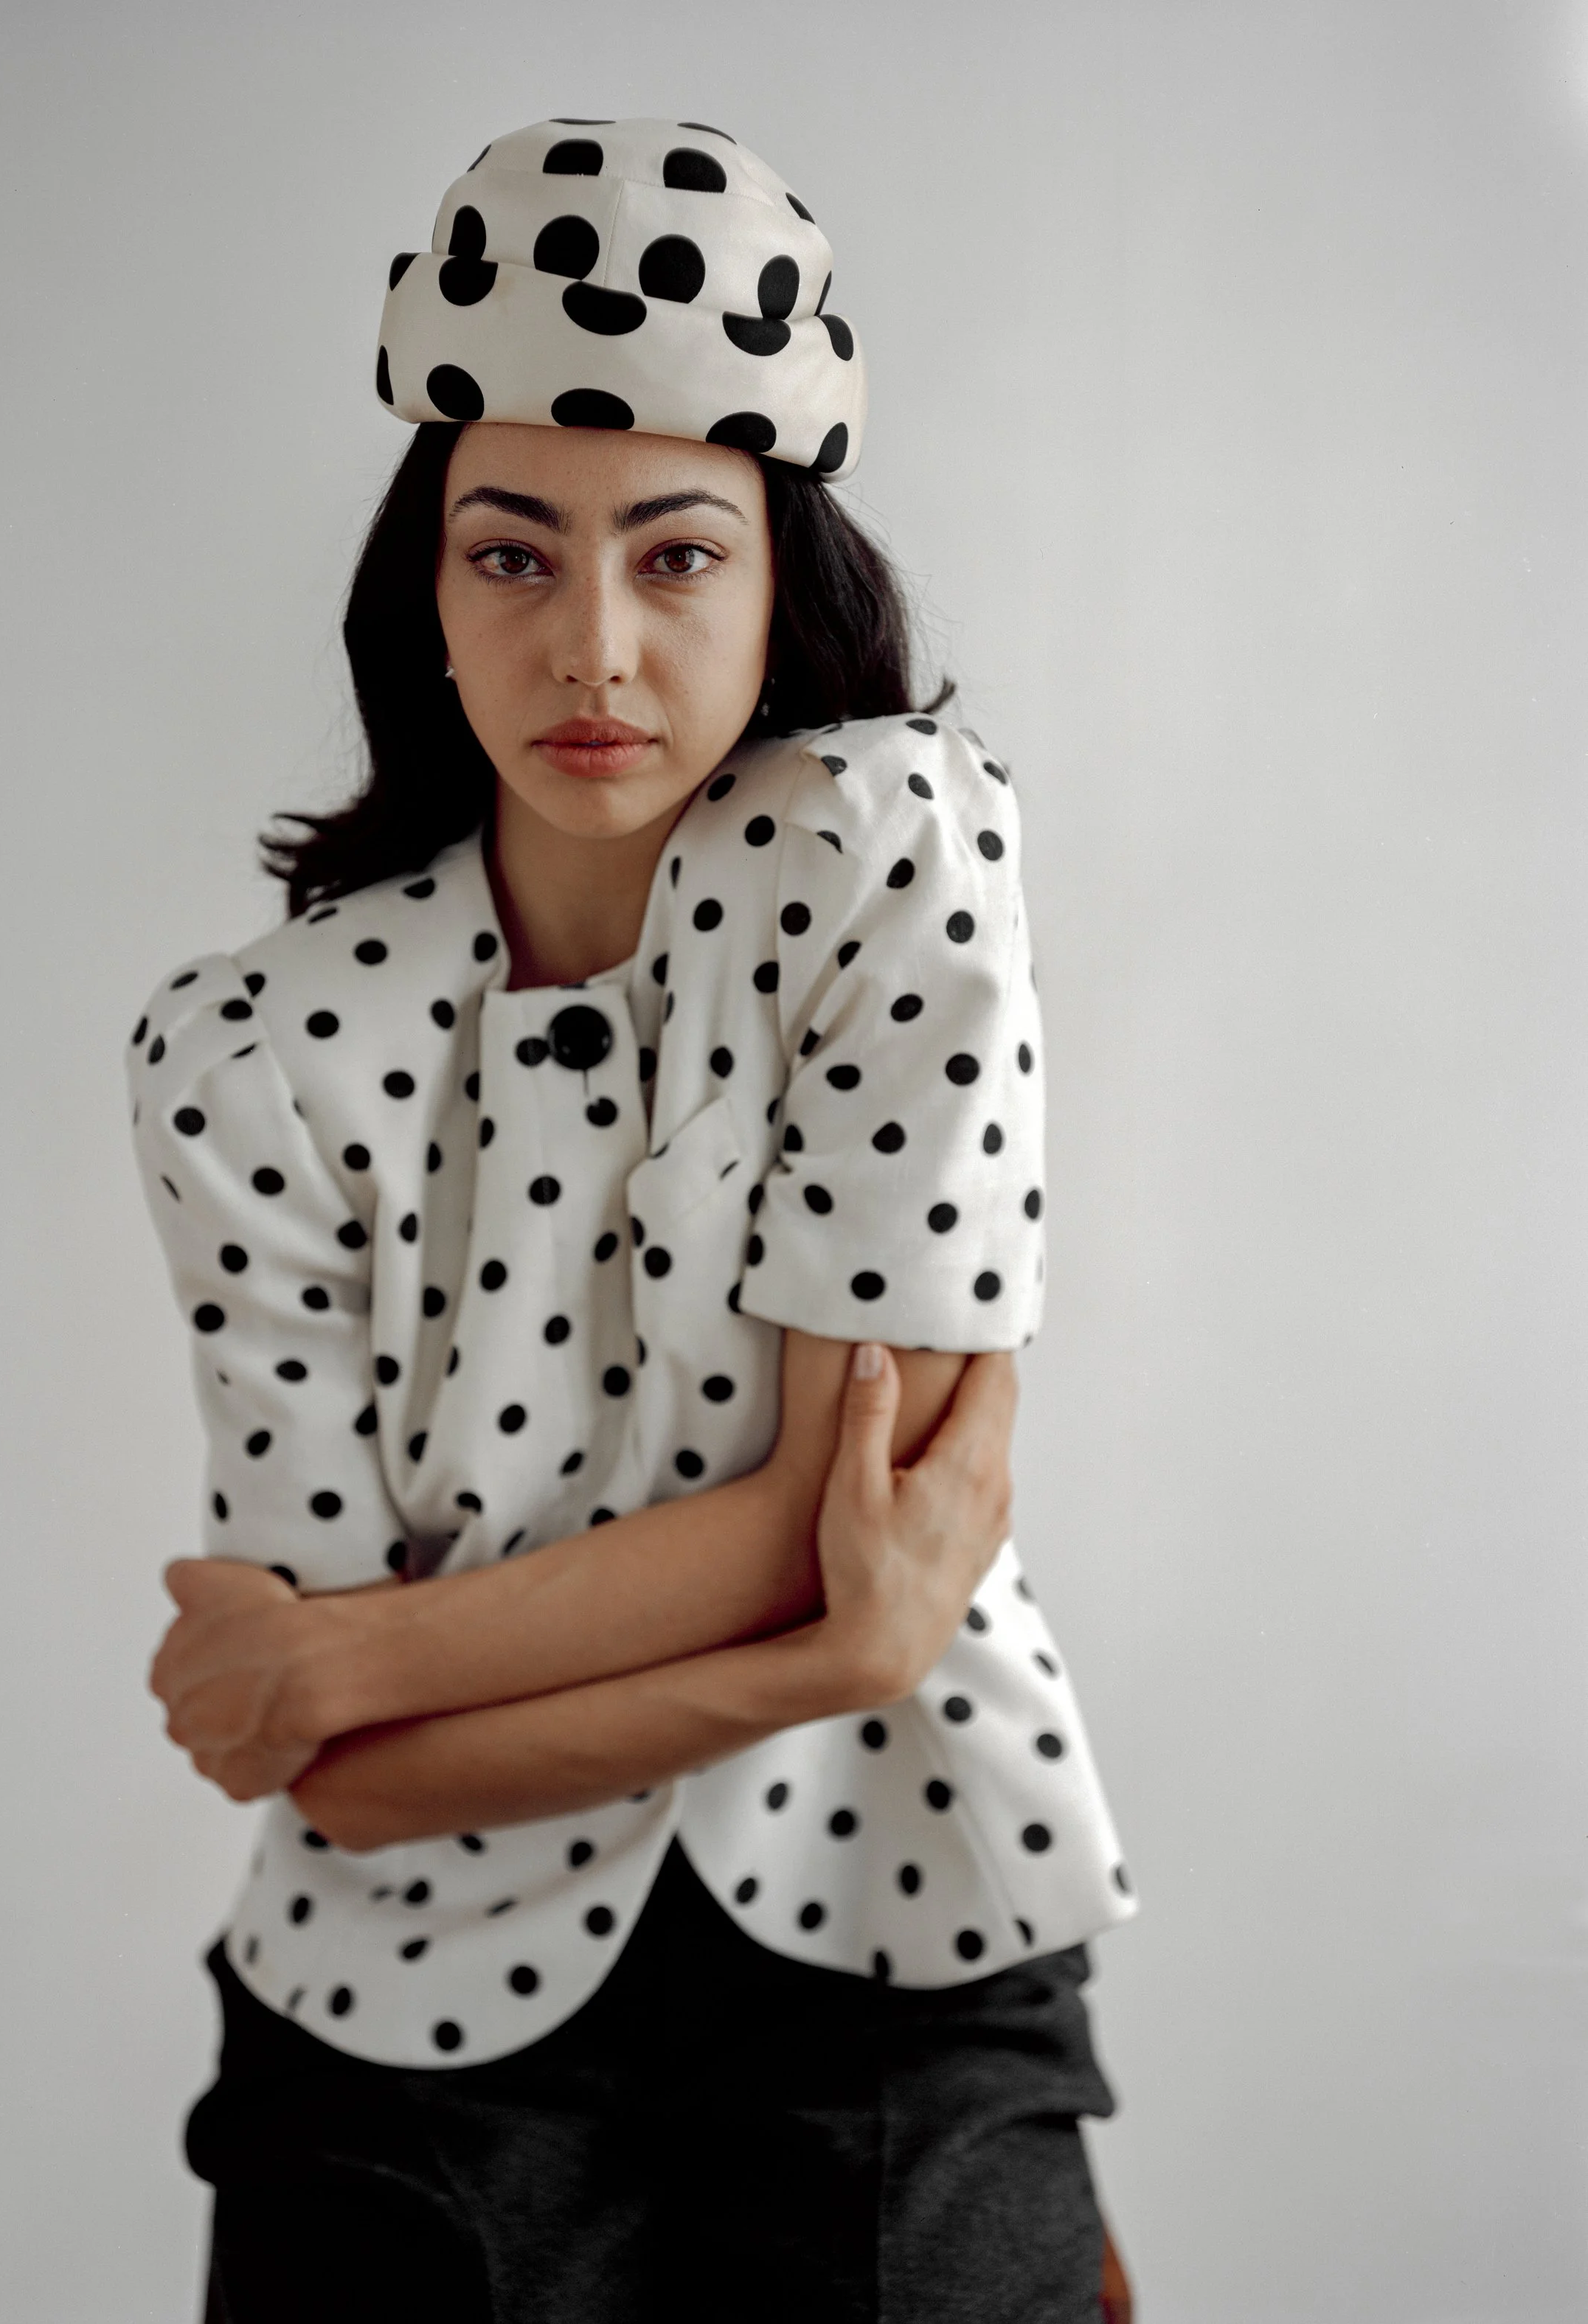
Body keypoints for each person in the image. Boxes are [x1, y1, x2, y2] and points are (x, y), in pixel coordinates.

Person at [129, 115, 1137, 2323]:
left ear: (782, 587)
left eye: (677, 555)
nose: (592, 645)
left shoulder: (893, 846)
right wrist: (826, 1636)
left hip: (896, 1895)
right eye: (512, 555)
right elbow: (355, 1797)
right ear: (427, 591)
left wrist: (352, 1657)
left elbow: (820, 1527)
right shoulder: (249, 1050)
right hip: (402, 1982)